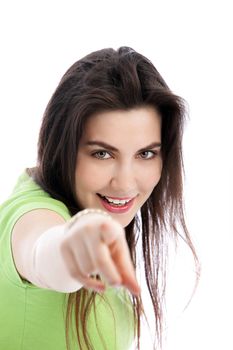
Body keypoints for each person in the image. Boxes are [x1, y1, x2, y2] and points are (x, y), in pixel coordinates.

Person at [0, 46, 199, 350]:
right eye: (102, 153)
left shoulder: (102, 218)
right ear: (63, 149)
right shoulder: (31, 212)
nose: (125, 182)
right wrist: (73, 246)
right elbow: (42, 252)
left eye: (146, 154)